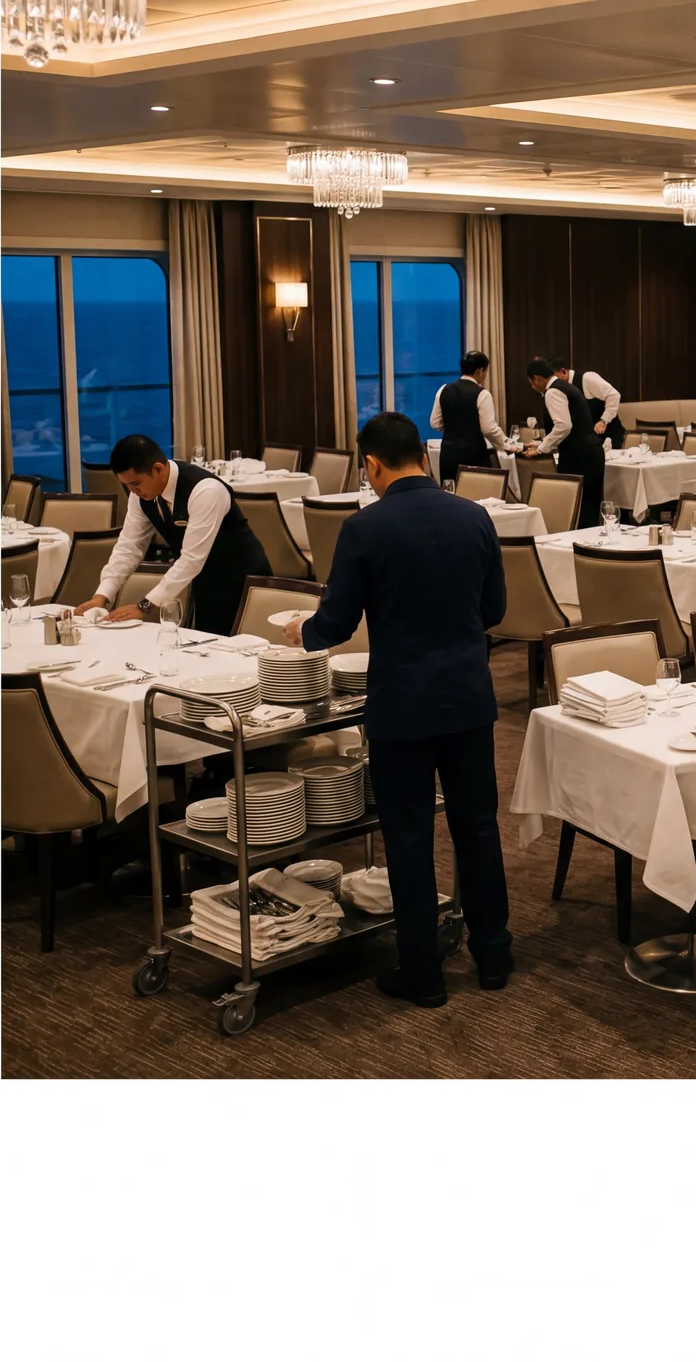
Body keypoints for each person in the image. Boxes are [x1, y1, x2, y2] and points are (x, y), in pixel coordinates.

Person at [286, 411, 511, 1007]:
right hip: (468, 698)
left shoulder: (365, 527)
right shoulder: (475, 516)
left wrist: (300, 632)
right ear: (422, 455)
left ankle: (423, 974)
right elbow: (494, 610)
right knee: (478, 828)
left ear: (372, 464)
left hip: (402, 706)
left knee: (409, 838)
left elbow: (335, 624)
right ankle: (494, 955)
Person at [80, 434, 269, 634]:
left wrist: (145, 606)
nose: (132, 491)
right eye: (126, 485)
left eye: (135, 483)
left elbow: (191, 558)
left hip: (244, 580)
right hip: (204, 580)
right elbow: (129, 547)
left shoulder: (206, 490)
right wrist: (102, 595)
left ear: (158, 469)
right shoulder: (141, 496)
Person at [522, 355, 605, 530]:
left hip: (579, 456)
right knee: (589, 510)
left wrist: (541, 449)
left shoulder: (552, 392)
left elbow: (563, 426)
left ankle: (580, 545)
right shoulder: (566, 386)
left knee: (580, 511)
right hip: (590, 452)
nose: (533, 387)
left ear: (537, 379)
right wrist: (543, 443)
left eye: (531, 383)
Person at [429, 350, 509, 484]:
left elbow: (435, 423)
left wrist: (454, 426)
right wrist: (506, 444)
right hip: (473, 455)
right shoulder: (482, 394)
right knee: (476, 493)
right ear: (480, 371)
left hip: (448, 455)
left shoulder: (443, 390)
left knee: (451, 492)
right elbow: (488, 429)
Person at [551, 356, 625, 448]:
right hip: (587, 441)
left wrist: (603, 421)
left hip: (608, 437)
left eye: (554, 378)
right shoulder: (561, 389)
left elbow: (614, 395)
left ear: (563, 371)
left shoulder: (587, 378)